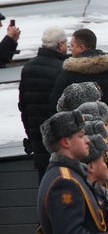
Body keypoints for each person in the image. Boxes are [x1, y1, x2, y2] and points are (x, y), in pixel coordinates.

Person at [50, 28, 108, 160]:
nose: (70, 50)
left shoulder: (67, 75)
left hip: (77, 149)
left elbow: (55, 111)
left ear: (82, 48)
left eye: (72, 46)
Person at [17, 26, 68, 178]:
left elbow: (23, 106)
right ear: (60, 45)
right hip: (59, 141)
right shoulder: (62, 70)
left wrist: (30, 134)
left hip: (37, 137)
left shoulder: (28, 68)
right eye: (66, 42)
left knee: (44, 183)